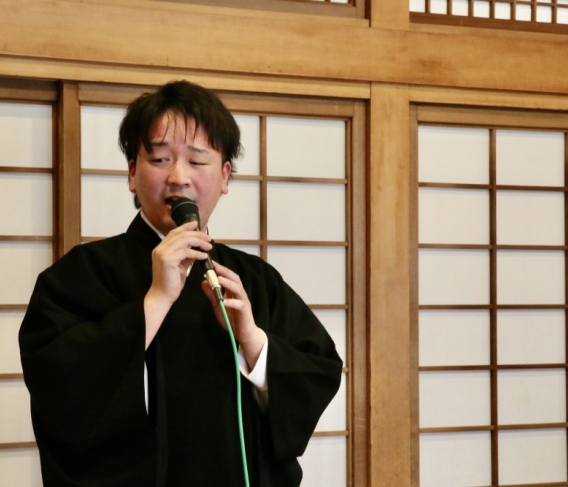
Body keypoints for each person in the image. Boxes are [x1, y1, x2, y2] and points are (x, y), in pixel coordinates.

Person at [19, 80, 342, 487]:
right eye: (160, 158)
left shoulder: (255, 280)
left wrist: (253, 342)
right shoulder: (80, 274)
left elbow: (318, 372)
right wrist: (155, 301)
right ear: (132, 173)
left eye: (197, 160)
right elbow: (58, 385)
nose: (178, 177)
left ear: (225, 176)